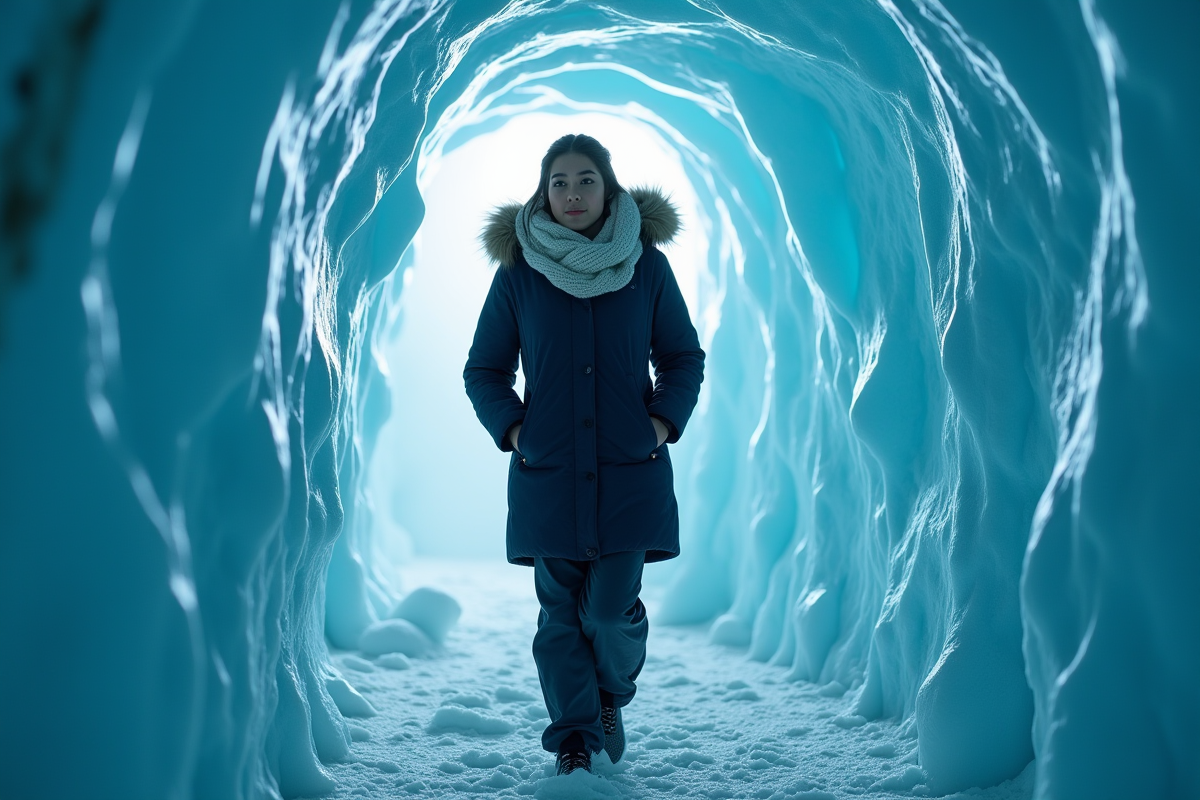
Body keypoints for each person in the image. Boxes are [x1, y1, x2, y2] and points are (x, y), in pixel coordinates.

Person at [463, 133, 705, 776]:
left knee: (607, 610)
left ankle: (609, 697)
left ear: (610, 186)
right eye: (560, 182)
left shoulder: (647, 267)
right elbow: (484, 369)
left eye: (586, 180)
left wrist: (659, 425)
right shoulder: (518, 272)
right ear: (543, 192)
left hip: (630, 472)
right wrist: (517, 432)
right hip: (549, 475)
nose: (573, 194)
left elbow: (682, 357)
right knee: (560, 618)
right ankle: (575, 740)